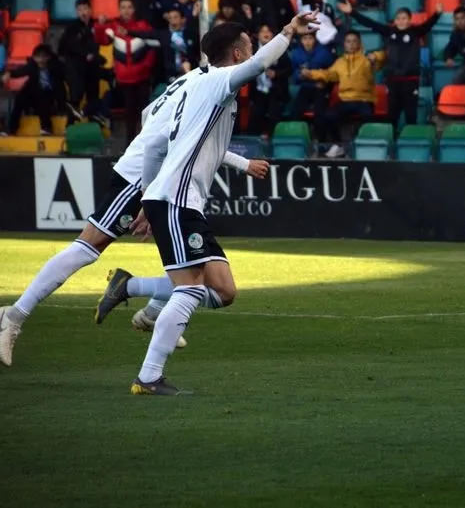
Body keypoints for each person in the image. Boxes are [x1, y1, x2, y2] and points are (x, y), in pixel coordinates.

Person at [0, 71, 271, 367]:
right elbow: (171, 137)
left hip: (166, 181)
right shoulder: (210, 85)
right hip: (142, 177)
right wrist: (147, 190)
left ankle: (146, 305)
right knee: (87, 247)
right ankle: (13, 316)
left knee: (196, 268)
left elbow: (150, 115)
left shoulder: (188, 79)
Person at [125, 14, 317, 395]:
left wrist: (148, 197)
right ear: (236, 52)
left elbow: (154, 144)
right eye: (249, 43)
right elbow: (261, 64)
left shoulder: (192, 90)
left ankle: (132, 292)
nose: (252, 50)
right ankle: (148, 377)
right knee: (191, 290)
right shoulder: (216, 82)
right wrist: (288, 32)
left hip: (176, 201)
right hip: (178, 201)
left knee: (224, 292)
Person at [338, 1, 441, 127]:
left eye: (404, 18)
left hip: (411, 80)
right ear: (395, 21)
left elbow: (428, 25)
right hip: (393, 80)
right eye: (398, 18)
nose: (401, 21)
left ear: (409, 20)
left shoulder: (415, 32)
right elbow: (371, 24)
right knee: (392, 114)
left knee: (411, 114)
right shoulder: (389, 31)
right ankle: (392, 140)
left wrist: (437, 14)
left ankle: (409, 142)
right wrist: (352, 12)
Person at [303, 30, 385, 157]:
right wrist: (311, 73)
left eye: (354, 41)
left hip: (364, 100)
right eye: (348, 41)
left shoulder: (367, 59)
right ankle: (338, 145)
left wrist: (377, 56)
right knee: (329, 116)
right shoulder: (339, 62)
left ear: (359, 44)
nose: (351, 44)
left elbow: (382, 58)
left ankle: (361, 146)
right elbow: (328, 75)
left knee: (368, 116)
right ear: (344, 44)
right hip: (345, 101)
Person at [93, 0, 156, 144]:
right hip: (124, 79)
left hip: (143, 76)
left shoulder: (143, 26)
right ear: (119, 9)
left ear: (134, 9)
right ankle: (130, 145)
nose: (126, 10)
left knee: (145, 111)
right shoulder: (113, 27)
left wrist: (146, 66)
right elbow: (102, 40)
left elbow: (153, 48)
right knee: (130, 112)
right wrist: (100, 26)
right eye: (123, 7)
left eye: (129, 7)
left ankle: (147, 143)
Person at [0, 45, 67, 136]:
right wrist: (9, 73)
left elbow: (64, 78)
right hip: (33, 95)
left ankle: (46, 127)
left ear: (49, 57)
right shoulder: (32, 66)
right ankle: (11, 128)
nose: (41, 60)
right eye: (38, 56)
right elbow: (20, 71)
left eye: (44, 56)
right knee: (20, 98)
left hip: (50, 96)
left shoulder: (56, 66)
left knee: (43, 97)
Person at [59, 0, 104, 121]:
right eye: (80, 10)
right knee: (76, 94)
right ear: (76, 12)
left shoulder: (96, 24)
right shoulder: (72, 27)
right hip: (76, 65)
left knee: (94, 94)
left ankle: (93, 119)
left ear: (90, 10)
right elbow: (66, 46)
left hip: (92, 65)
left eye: (85, 8)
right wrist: (85, 54)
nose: (83, 12)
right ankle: (70, 123)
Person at [135, 6, 201, 82]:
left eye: (175, 17)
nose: (173, 21)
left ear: (183, 19)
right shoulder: (164, 35)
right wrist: (127, 32)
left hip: (191, 73)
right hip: (172, 75)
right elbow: (145, 34)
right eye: (170, 18)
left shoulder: (190, 34)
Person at [249, 24, 293, 136]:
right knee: (255, 114)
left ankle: (273, 142)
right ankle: (255, 143)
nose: (266, 33)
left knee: (275, 113)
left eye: (268, 30)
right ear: (257, 35)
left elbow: (289, 69)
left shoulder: (279, 48)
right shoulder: (251, 49)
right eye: (262, 31)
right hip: (258, 90)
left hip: (276, 91)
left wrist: (276, 73)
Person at [290, 28, 337, 121]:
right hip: (305, 87)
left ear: (315, 39)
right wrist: (300, 75)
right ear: (300, 40)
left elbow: (332, 73)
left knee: (320, 114)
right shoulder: (296, 53)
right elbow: (294, 72)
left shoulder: (324, 52)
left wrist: (325, 84)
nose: (307, 42)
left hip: (320, 87)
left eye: (310, 38)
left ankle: (320, 135)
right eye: (304, 39)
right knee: (295, 113)